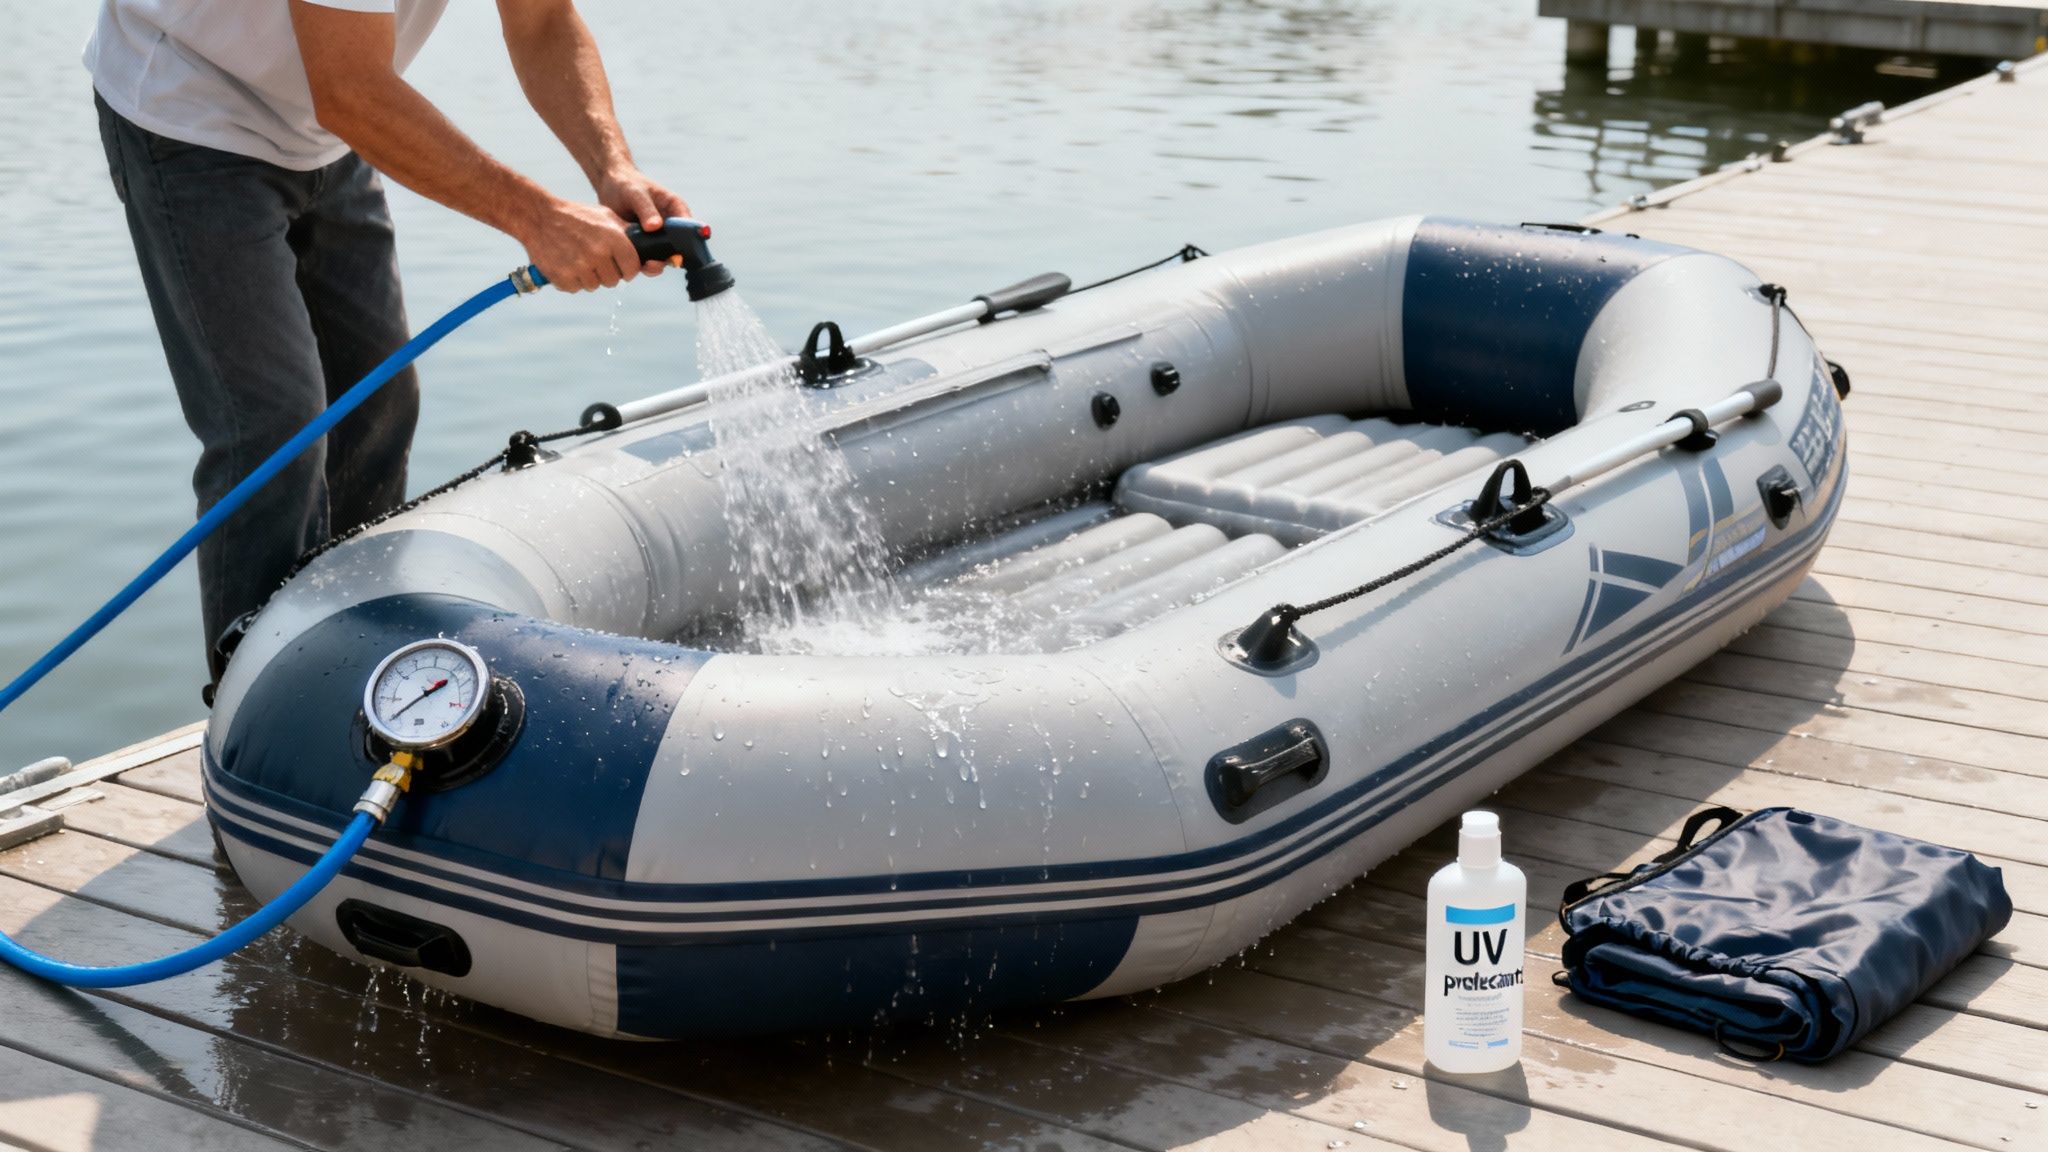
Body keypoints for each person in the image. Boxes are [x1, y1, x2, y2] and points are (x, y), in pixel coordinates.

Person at [85, 0, 687, 691]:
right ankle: (252, 719)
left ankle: (351, 677)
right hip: (191, 109)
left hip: (325, 130)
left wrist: (613, 170)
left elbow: (543, 20)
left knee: (379, 401)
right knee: (273, 430)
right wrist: (539, 219)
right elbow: (350, 92)